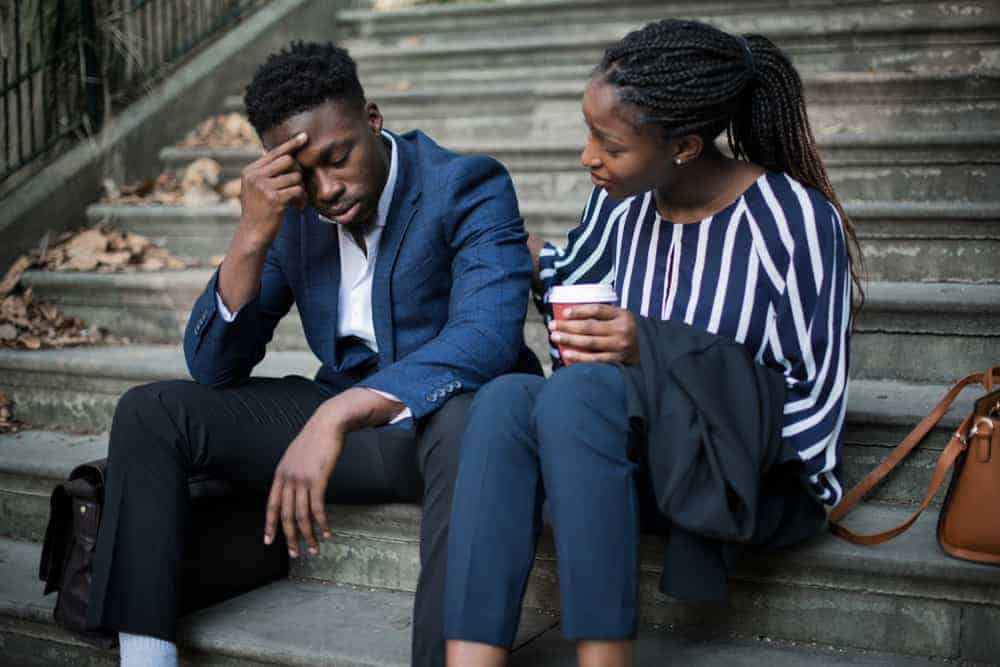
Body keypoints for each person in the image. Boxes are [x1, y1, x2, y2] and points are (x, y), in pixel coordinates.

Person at [86, 41, 538, 667]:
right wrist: (250, 234)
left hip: (446, 424)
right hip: (348, 426)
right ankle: (146, 658)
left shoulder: (467, 186)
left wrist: (336, 415)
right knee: (151, 411)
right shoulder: (294, 216)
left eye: (339, 157)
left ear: (372, 119)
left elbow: (485, 339)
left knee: (475, 419)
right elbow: (214, 366)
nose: (327, 188)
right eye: (305, 171)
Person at [443, 19, 860, 667]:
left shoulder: (794, 221)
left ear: (686, 146)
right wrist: (480, 236)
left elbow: (813, 398)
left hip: (739, 480)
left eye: (608, 144)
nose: (587, 157)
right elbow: (564, 273)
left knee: (581, 393)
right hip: (632, 463)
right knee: (502, 403)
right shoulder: (620, 203)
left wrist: (652, 351)